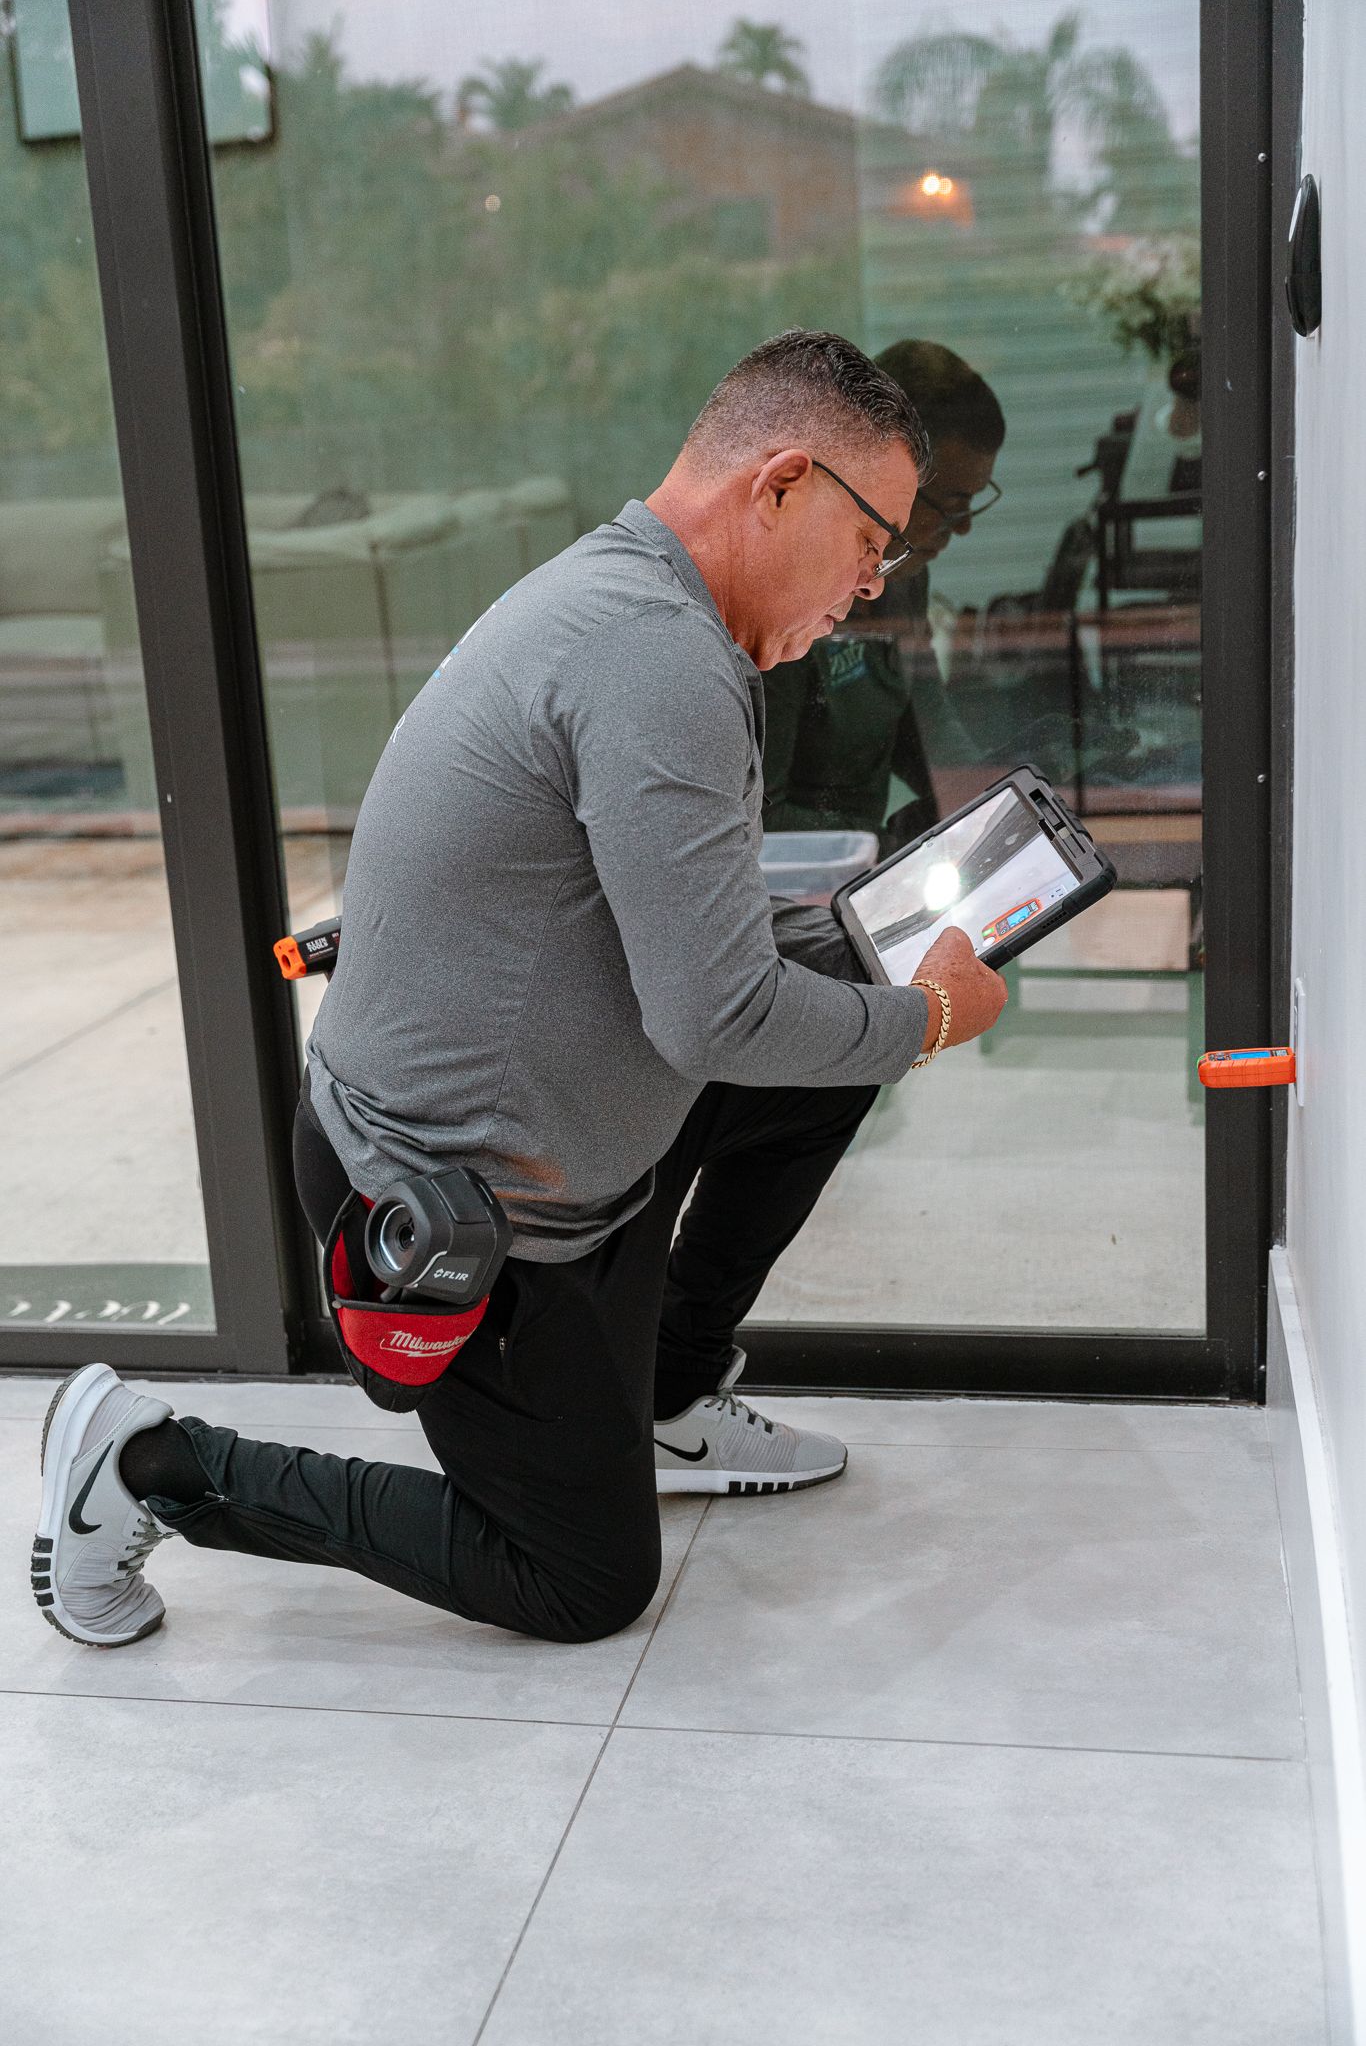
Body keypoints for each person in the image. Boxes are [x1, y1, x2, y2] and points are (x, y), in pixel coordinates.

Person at [31, 331, 1007, 1653]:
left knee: (843, 992)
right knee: (580, 1581)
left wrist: (860, 954)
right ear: (779, 484)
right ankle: (145, 1465)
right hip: (459, 1208)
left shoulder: (627, 596)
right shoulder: (659, 659)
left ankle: (658, 1390)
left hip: (563, 1139)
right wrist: (938, 1016)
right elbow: (714, 1020)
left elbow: (662, 920)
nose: (875, 584)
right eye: (874, 540)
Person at [763, 339, 1007, 853]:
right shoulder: (788, 604)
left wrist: (999, 800)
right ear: (891, 486)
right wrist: (894, 848)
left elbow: (928, 726)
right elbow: (762, 819)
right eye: (953, 505)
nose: (960, 529)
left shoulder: (905, 576)